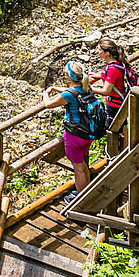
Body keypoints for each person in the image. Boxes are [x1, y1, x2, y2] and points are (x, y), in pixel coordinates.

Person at [42, 60, 106, 202]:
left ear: (68, 76)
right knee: (83, 165)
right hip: (88, 133)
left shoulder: (69, 95)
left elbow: (48, 104)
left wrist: (45, 93)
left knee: (78, 169)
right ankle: (86, 191)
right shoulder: (87, 86)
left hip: (74, 136)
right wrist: (55, 88)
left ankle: (82, 200)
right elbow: (70, 91)